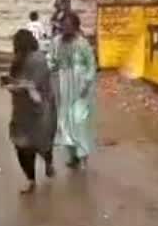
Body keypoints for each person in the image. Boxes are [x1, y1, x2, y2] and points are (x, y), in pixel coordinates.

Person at [5, 29, 57, 193]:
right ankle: (31, 179)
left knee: (40, 143)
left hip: (40, 110)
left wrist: (18, 85)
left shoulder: (37, 59)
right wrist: (11, 84)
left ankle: (46, 165)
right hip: (22, 110)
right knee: (22, 146)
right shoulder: (18, 60)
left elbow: (34, 84)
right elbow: (18, 82)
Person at [50, 11, 97, 169]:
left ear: (76, 27)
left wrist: (87, 83)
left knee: (79, 121)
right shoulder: (56, 42)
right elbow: (51, 60)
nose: (66, 29)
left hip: (80, 87)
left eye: (69, 26)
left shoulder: (82, 43)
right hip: (63, 87)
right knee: (64, 122)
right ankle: (72, 157)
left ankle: (83, 156)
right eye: (64, 26)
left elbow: (91, 64)